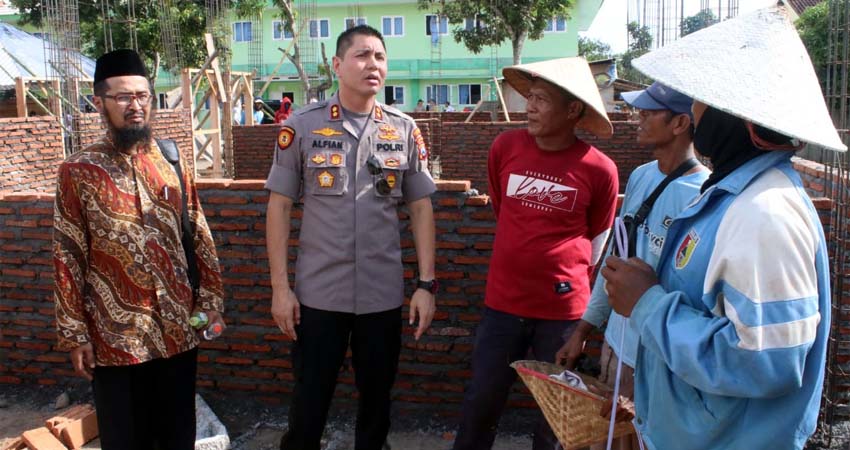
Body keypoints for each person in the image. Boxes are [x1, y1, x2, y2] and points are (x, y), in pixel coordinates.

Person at [602, 7, 844, 449]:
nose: (694, 113)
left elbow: (768, 361)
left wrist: (648, 304)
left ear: (737, 114)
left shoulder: (765, 213)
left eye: (702, 101)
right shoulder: (736, 196)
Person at [265, 25, 437, 450]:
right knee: (309, 401)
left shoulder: (403, 129)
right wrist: (280, 289)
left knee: (377, 403)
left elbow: (420, 209)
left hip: (381, 294)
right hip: (319, 295)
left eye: (380, 57)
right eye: (362, 56)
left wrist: (426, 285)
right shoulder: (302, 127)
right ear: (337, 65)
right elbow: (279, 208)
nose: (373, 65)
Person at [52, 49, 225, 450]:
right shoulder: (78, 171)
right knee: (125, 439)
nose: (136, 106)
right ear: (100, 103)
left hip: (178, 330)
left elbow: (198, 232)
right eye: (124, 97)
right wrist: (75, 332)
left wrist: (211, 299)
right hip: (115, 339)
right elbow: (67, 254)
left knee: (177, 434)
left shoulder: (170, 162)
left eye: (144, 96)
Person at [453, 57, 619, 450]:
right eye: (530, 97)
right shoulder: (505, 147)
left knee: (555, 417)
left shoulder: (600, 169)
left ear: (573, 110)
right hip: (502, 305)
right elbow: (501, 207)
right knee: (482, 400)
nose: (530, 106)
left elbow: (598, 239)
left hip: (562, 315)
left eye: (542, 99)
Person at [556, 81, 708, 450]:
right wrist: (583, 331)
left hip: (658, 363)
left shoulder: (703, 195)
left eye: (649, 112)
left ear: (680, 124)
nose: (637, 118)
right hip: (617, 348)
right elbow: (615, 260)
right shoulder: (641, 176)